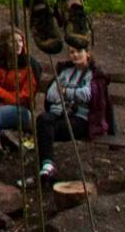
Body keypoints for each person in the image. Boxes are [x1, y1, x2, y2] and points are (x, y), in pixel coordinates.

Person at [35, 43, 111, 182]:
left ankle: (47, 167)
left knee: (47, 129)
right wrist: (70, 94)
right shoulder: (66, 72)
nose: (75, 55)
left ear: (87, 53)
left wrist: (65, 91)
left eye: (78, 52)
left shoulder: (94, 75)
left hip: (81, 119)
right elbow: (51, 94)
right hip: (59, 113)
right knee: (43, 120)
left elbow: (87, 95)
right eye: (71, 52)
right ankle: (47, 165)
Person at [0, 27, 39, 176]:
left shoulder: (29, 64)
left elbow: (25, 96)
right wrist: (2, 97)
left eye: (20, 41)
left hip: (22, 112)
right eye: (13, 42)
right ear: (4, 44)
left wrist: (4, 97)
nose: (19, 45)